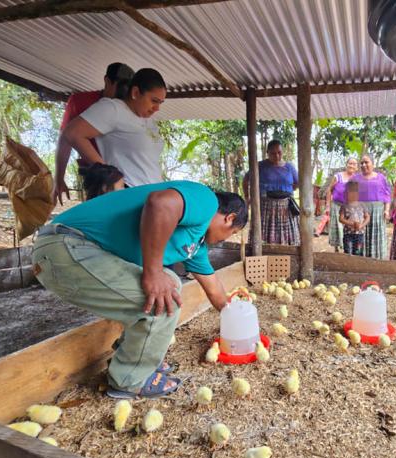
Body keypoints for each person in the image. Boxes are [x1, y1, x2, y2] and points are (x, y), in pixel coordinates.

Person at [32, 181, 247, 399]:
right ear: (229, 218)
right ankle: (130, 380)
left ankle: (133, 357)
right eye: (233, 232)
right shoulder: (206, 200)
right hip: (65, 246)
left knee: (170, 282)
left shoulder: (194, 245)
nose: (226, 239)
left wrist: (241, 322)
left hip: (75, 249)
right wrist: (152, 273)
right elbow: (160, 203)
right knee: (166, 301)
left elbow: (214, 290)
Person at [62, 68, 167, 189]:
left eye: (161, 103)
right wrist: (108, 174)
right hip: (128, 191)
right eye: (154, 101)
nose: (157, 108)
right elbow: (72, 133)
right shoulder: (113, 109)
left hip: (151, 193)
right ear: (136, 93)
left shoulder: (149, 120)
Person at [52, 62, 134, 205]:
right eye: (120, 87)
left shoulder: (129, 108)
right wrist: (59, 178)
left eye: (127, 89)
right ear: (107, 81)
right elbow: (66, 139)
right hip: (95, 174)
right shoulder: (80, 102)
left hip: (124, 177)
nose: (123, 93)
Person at [242, 139, 300, 245]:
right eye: (273, 153)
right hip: (266, 207)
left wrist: (287, 190)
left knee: (286, 236)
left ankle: (285, 252)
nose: (277, 156)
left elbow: (298, 183)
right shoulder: (260, 166)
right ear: (267, 153)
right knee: (264, 235)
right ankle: (265, 253)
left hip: (286, 207)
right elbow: (246, 180)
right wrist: (247, 197)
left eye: (279, 153)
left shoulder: (289, 167)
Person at [351, 153, 392, 259]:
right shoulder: (355, 178)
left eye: (366, 162)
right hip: (360, 212)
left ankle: (377, 260)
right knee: (361, 237)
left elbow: (387, 196)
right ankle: (361, 260)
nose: (364, 165)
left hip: (377, 212)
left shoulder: (381, 178)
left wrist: (386, 211)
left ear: (372, 164)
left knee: (376, 236)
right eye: (361, 163)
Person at [325, 158, 359, 252]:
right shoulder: (338, 176)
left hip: (349, 208)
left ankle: (347, 249)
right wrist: (327, 206)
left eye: (354, 164)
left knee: (348, 228)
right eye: (350, 163)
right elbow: (329, 190)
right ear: (346, 164)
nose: (351, 166)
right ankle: (336, 249)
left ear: (356, 167)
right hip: (337, 206)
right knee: (338, 228)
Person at [339, 181, 370, 256]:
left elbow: (367, 217)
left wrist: (361, 225)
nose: (353, 194)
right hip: (348, 234)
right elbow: (341, 219)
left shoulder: (362, 205)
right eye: (351, 192)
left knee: (358, 252)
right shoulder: (344, 205)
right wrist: (352, 224)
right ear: (346, 193)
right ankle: (348, 266)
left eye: (356, 192)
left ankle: (357, 266)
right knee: (348, 252)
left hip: (360, 234)